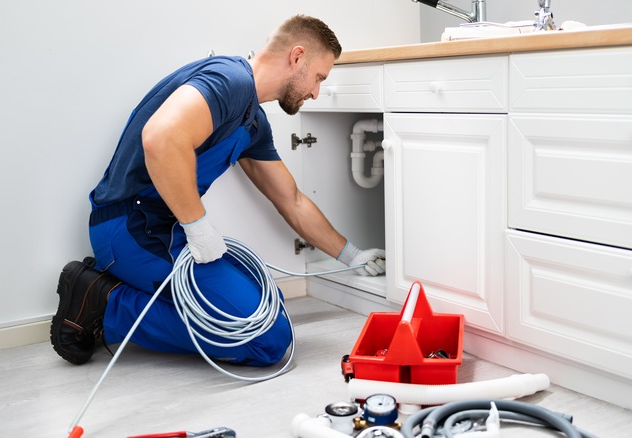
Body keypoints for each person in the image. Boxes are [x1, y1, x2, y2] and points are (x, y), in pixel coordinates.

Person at [50, 15, 386, 367]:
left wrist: (351, 255)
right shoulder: (228, 80)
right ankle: (105, 305)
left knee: (268, 305)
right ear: (297, 56)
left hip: (164, 231)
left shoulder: (253, 121)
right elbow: (160, 139)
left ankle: (122, 291)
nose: (316, 92)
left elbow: (292, 200)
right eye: (319, 77)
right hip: (130, 229)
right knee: (267, 340)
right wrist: (198, 228)